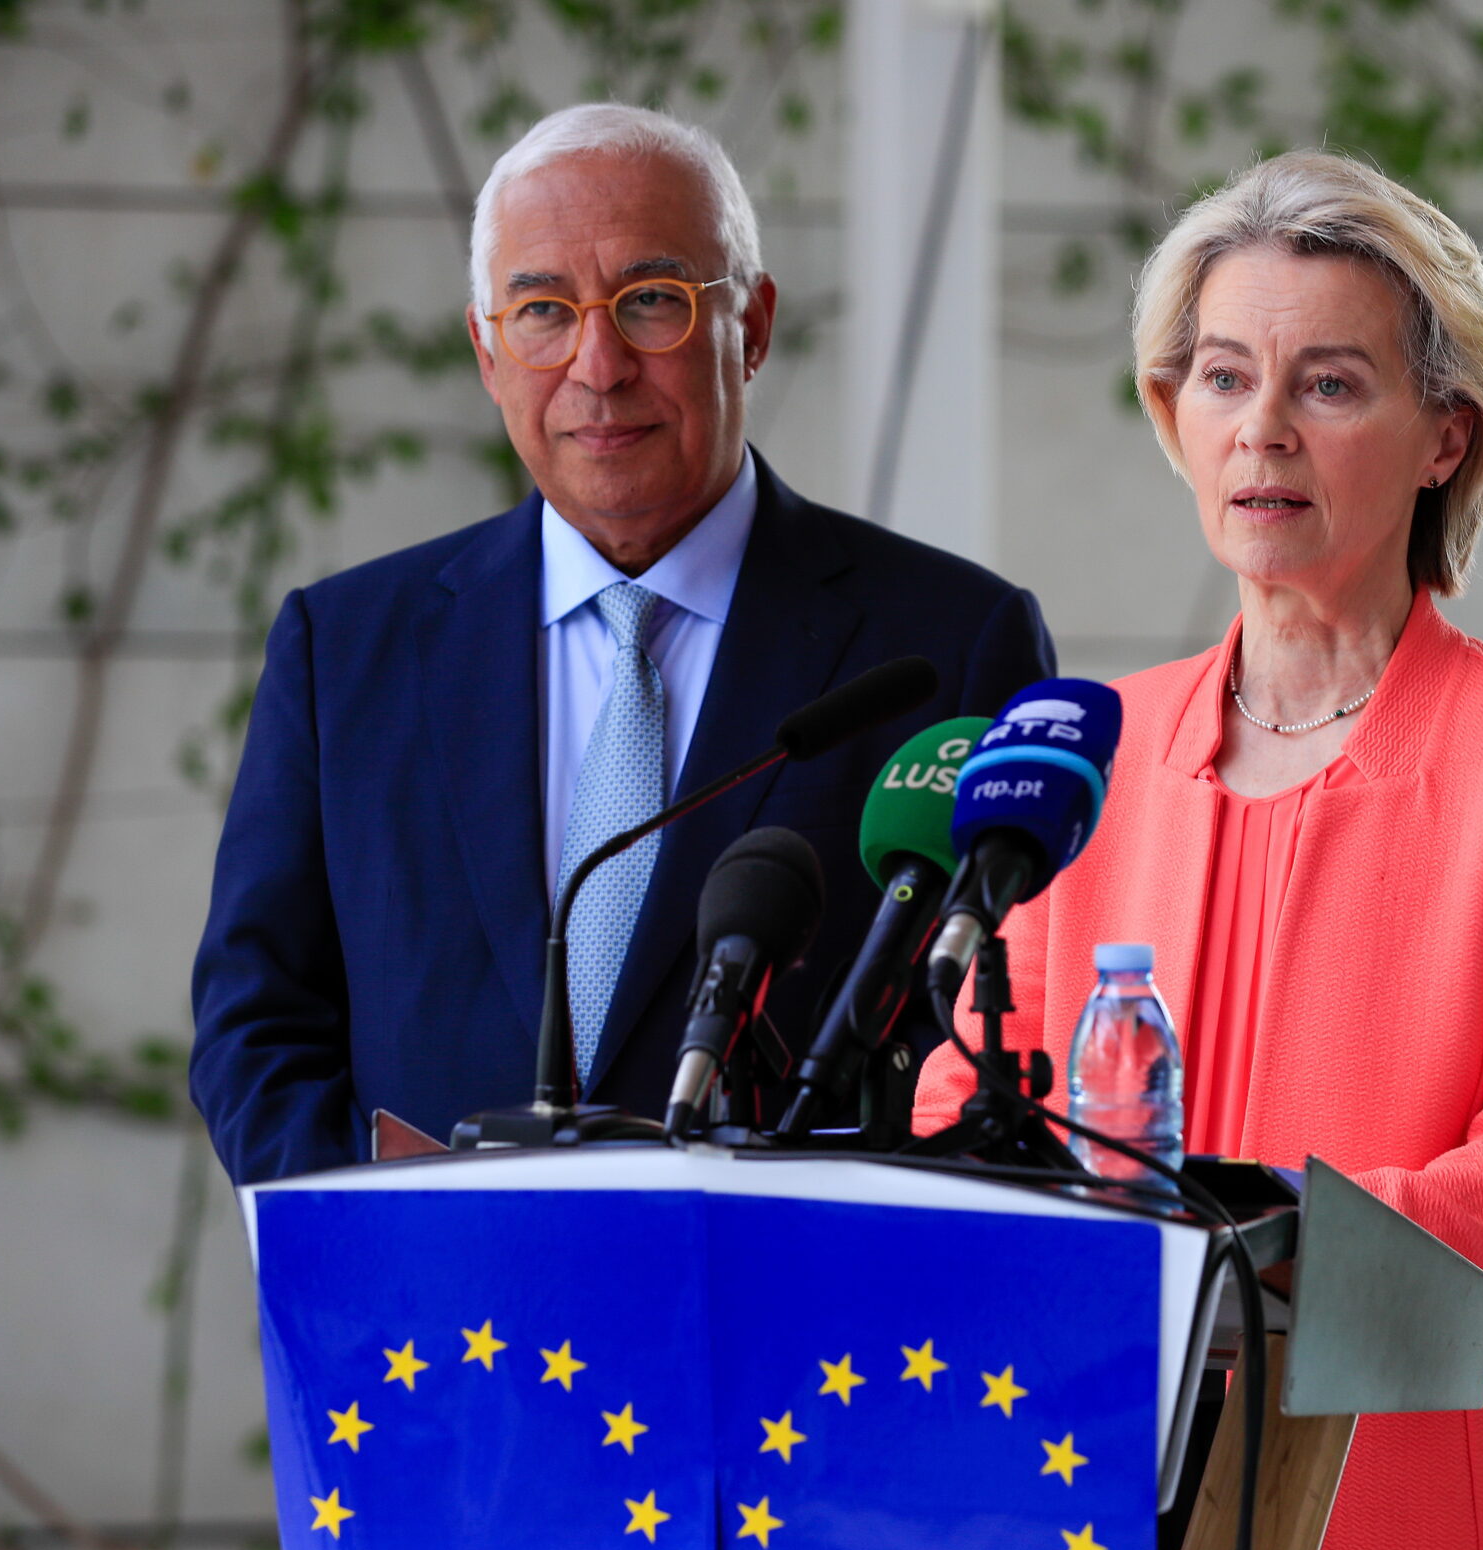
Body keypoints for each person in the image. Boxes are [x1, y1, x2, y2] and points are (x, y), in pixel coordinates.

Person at [916, 151, 1483, 1550]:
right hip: (1102, 1527)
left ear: (1447, 433)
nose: (1262, 428)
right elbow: (962, 1100)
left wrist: (1254, 1261)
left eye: (1329, 383)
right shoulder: (1081, 753)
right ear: (1172, 414)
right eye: (1223, 377)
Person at [192, 105, 1055, 1184]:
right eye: (541, 312)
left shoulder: (949, 644)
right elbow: (257, 1027)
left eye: (651, 301)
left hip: (785, 1287)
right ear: (486, 351)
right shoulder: (345, 652)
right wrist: (386, 1243)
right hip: (434, 1289)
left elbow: (983, 1031)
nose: (597, 367)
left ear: (753, 325)